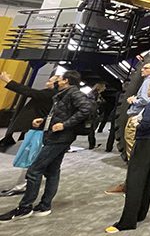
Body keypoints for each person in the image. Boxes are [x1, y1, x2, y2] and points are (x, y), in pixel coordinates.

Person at [0, 70, 92, 221]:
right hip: (57, 136)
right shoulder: (64, 94)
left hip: (60, 137)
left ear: (66, 81)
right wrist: (44, 120)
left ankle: (25, 208)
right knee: (52, 171)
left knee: (34, 171)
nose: (56, 81)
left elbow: (86, 109)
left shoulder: (72, 93)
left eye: (59, 79)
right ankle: (44, 206)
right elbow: (61, 113)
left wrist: (64, 125)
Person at [106, 76, 150, 233]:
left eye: (149, 88)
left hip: (145, 143)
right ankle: (141, 213)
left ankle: (127, 221)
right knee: (149, 179)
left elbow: (146, 123)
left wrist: (137, 124)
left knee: (135, 180)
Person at [106, 61, 150, 195]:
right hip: (147, 120)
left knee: (133, 154)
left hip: (136, 117)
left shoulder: (148, 81)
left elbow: (146, 100)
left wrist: (133, 100)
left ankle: (130, 185)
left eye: (145, 68)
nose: (142, 70)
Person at [0, 71, 59, 152]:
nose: (47, 82)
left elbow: (28, 91)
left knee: (28, 144)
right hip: (35, 122)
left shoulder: (51, 93)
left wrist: (8, 81)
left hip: (35, 122)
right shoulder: (52, 93)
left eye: (50, 81)